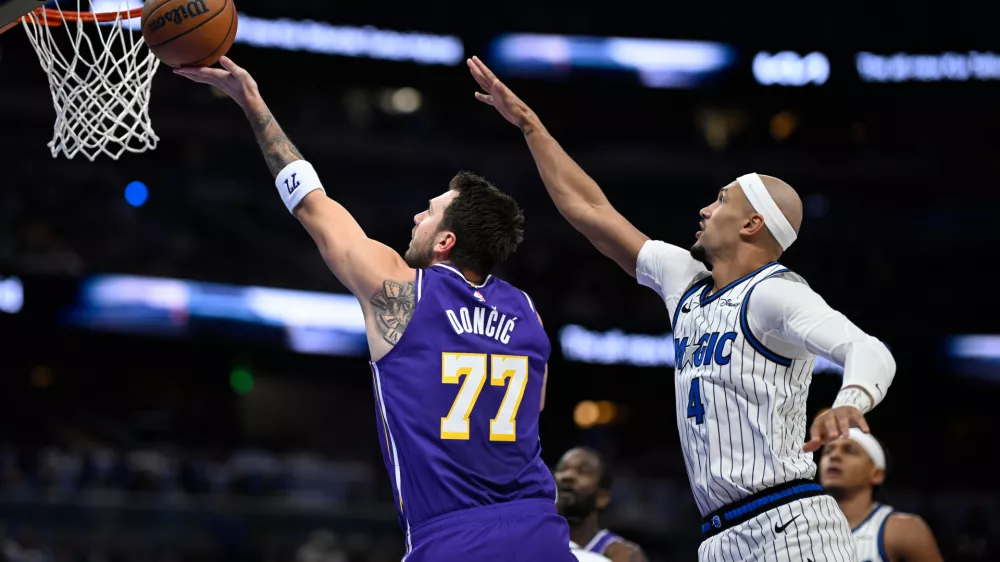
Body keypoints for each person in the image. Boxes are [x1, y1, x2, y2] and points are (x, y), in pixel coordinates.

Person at [467, 55, 897, 561]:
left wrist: (852, 399)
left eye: (720, 201)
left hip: (790, 523)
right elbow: (589, 210)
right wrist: (531, 126)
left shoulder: (774, 293)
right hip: (719, 535)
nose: (705, 209)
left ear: (751, 224)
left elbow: (867, 348)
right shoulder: (685, 280)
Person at [175, 58, 575, 562]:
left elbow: (312, 206)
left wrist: (252, 102)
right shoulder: (526, 311)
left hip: (453, 540)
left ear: (446, 241)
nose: (416, 216)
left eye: (428, 214)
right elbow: (531, 410)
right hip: (541, 533)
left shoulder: (400, 290)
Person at [820, 428, 944, 562]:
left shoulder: (903, 531)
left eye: (849, 451)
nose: (834, 456)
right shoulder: (799, 528)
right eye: (828, 451)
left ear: (876, 474)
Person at [554, 447, 649, 562]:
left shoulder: (624, 555)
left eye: (582, 471)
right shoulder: (535, 541)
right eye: (562, 469)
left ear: (602, 497)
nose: (567, 476)